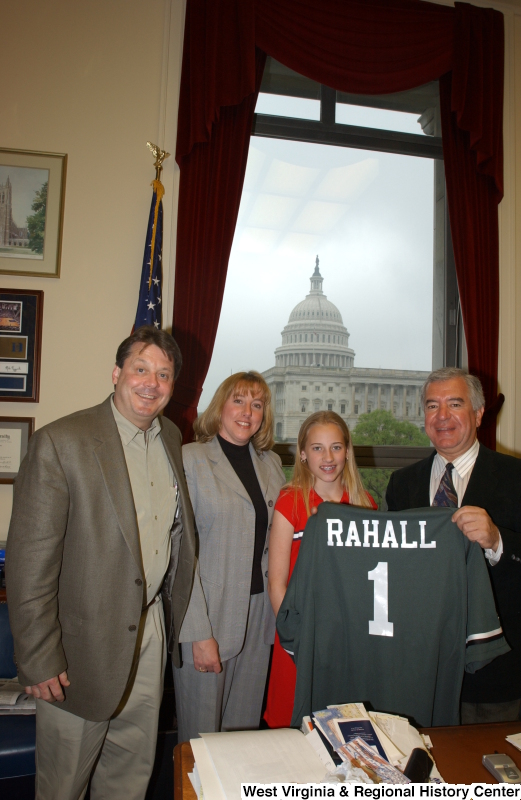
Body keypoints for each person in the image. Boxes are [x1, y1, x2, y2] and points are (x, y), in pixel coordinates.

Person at [6, 326, 197, 800]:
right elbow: (30, 563)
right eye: (141, 369)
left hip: (149, 635)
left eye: (164, 374)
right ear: (116, 374)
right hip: (78, 651)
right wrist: (38, 658)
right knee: (63, 786)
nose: (152, 383)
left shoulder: (171, 437)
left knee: (130, 777)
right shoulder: (62, 442)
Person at [386, 367, 521, 724]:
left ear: (478, 414)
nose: (442, 416)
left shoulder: (515, 477)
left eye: (455, 404)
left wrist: (498, 542)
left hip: (494, 674)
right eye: (432, 406)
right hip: (418, 672)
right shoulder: (402, 484)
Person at [173, 371, 286, 743]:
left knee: (243, 739)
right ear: (220, 406)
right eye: (238, 400)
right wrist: (197, 634)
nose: (247, 411)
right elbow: (179, 555)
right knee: (201, 741)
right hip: (209, 615)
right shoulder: (191, 459)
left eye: (257, 404)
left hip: (259, 616)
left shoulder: (270, 464)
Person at [264, 410, 376, 728]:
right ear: (303, 454)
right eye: (317, 448)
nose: (328, 457)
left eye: (336, 447)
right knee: (296, 730)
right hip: (302, 636)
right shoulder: (290, 502)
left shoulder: (366, 504)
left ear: (348, 451)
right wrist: (295, 639)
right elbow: (277, 583)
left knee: (345, 731)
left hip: (348, 638)